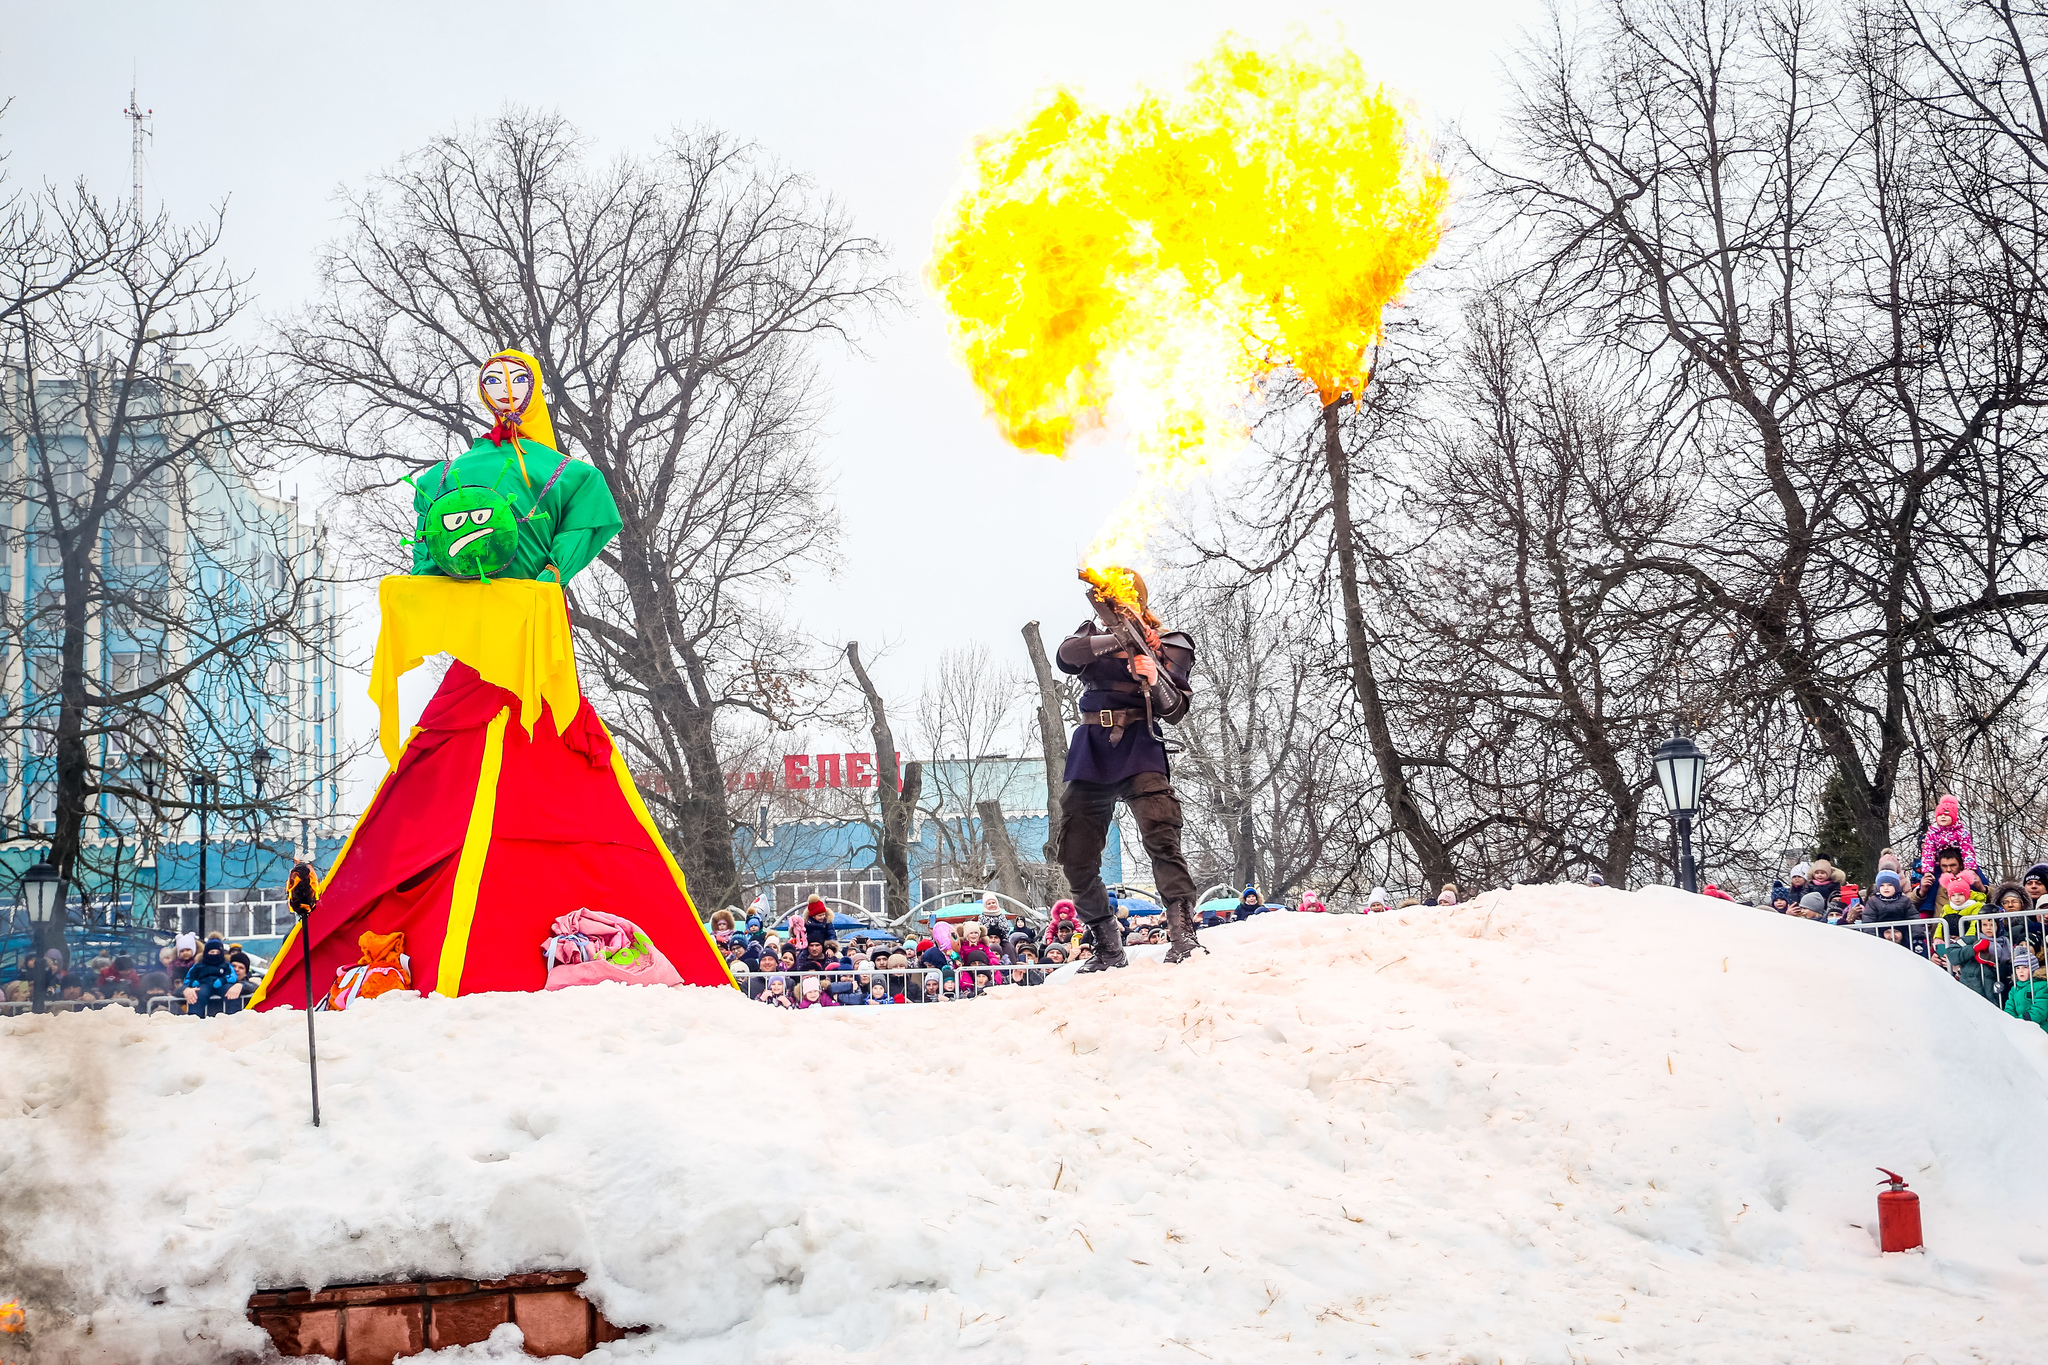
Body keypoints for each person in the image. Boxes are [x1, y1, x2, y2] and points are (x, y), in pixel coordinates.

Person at [1054, 567, 1200, 968]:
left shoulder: (1171, 644)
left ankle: (1183, 934)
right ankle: (1107, 945)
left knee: (1161, 835)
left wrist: (1154, 678)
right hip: (1092, 751)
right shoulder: (1090, 637)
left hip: (1141, 748)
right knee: (1076, 853)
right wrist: (1119, 638)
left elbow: (1175, 709)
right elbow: (1066, 657)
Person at [181, 937, 242, 1018]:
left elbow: (233, 976)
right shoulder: (198, 965)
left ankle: (234, 1018)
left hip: (222, 984)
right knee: (196, 995)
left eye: (217, 952)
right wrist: (193, 983)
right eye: (212, 952)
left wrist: (223, 980)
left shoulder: (226, 964)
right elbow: (188, 979)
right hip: (203, 985)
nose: (215, 954)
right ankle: (194, 1019)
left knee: (231, 993)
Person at [2005, 949, 2048, 1029]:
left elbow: (2041, 1009)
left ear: (2033, 969)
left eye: (2025, 967)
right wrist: (2012, 1020)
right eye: (2017, 968)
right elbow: (2009, 1006)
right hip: (2019, 1028)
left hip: (2039, 1028)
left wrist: (2022, 1021)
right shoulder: (2014, 988)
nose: (2021, 971)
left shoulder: (2042, 986)